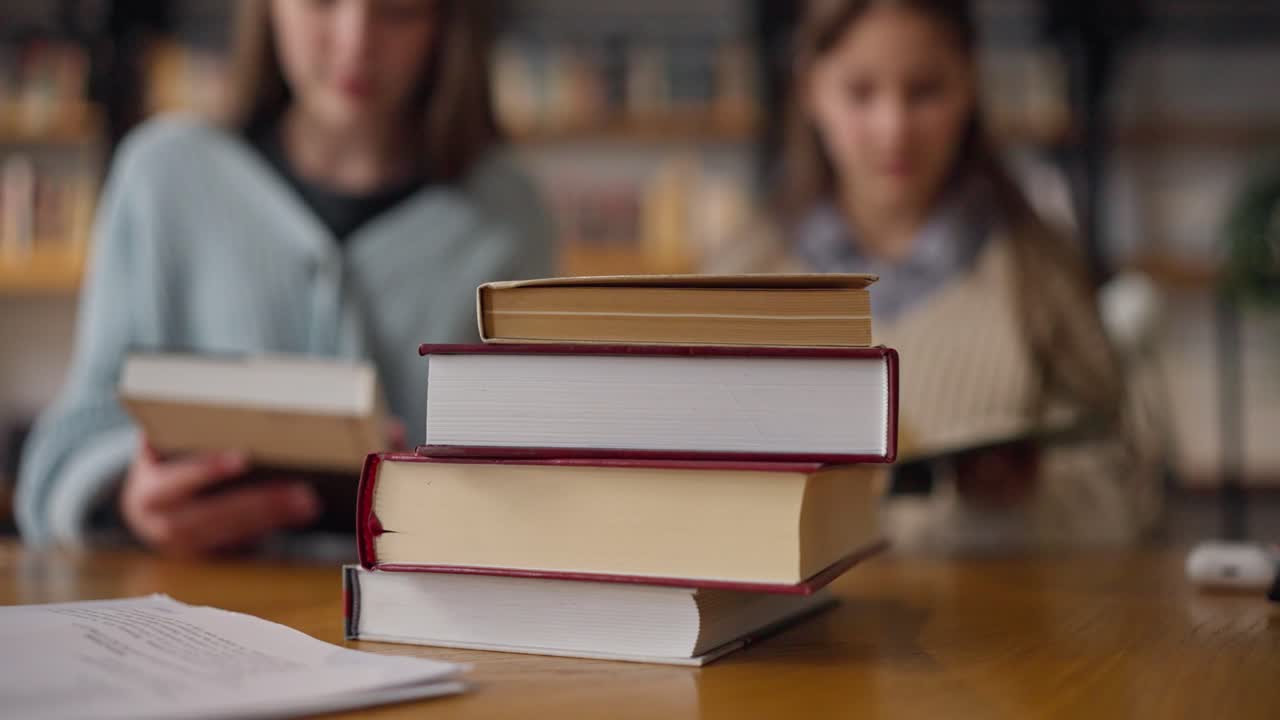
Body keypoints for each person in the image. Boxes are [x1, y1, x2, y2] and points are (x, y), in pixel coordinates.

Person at [17, 0, 553, 553]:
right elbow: (65, 453)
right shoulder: (164, 176)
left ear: (446, 23)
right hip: (201, 613)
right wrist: (127, 496)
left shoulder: (510, 212)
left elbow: (545, 477)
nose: (355, 44)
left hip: (426, 619)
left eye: (399, 10)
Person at [714, 0, 1163, 547]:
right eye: (861, 92)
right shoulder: (738, 276)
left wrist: (1036, 490)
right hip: (795, 626)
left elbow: (1131, 491)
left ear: (969, 86)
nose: (894, 128)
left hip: (1003, 617)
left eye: (925, 91)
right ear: (811, 92)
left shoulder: (1040, 273)